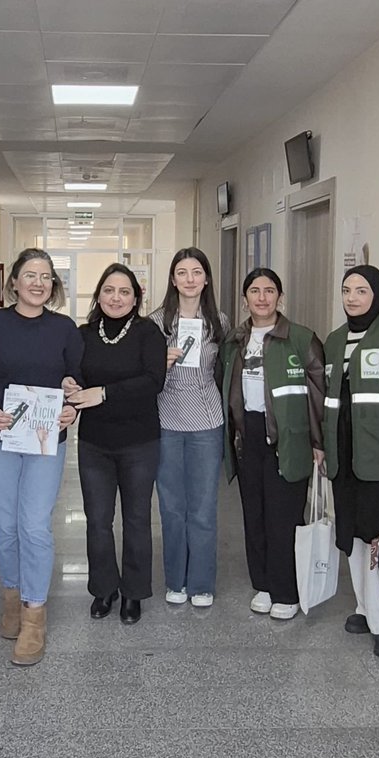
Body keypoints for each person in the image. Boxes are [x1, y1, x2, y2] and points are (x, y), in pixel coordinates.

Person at [0, 248, 83, 666]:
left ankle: (33, 615)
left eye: (46, 276)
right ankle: (10, 596)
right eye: (29, 275)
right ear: (13, 282)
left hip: (46, 439)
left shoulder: (65, 328)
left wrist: (72, 399)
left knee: (34, 526)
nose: (37, 282)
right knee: (5, 524)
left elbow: (77, 378)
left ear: (54, 285)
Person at [65, 264, 166, 624]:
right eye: (109, 290)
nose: (116, 298)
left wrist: (105, 393)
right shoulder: (84, 334)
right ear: (98, 294)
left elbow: (154, 381)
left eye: (124, 292)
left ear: (136, 297)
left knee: (137, 520)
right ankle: (104, 589)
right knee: (98, 521)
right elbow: (75, 374)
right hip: (95, 444)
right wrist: (71, 385)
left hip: (140, 443)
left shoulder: (147, 333)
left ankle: (134, 594)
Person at [222, 267, 325, 620]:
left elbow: (317, 395)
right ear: (245, 298)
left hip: (289, 438)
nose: (262, 297)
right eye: (254, 290)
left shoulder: (300, 337)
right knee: (255, 515)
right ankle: (263, 585)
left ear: (280, 297)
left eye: (269, 290)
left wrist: (317, 440)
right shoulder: (235, 340)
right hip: (247, 435)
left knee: (284, 517)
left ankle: (286, 591)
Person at [323, 265, 379, 659]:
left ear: (378, 295)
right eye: (346, 290)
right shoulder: (335, 341)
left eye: (361, 290)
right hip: (344, 461)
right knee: (353, 536)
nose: (352, 297)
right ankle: (364, 608)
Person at [150, 248, 230, 608]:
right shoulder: (155, 323)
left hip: (207, 420)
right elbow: (146, 376)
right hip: (167, 419)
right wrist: (160, 362)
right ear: (172, 279)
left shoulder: (220, 323)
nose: (189, 279)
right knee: (171, 506)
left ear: (206, 278)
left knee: (202, 507)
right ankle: (175, 581)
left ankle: (201, 583)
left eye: (196, 272)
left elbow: (225, 371)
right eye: (181, 272)